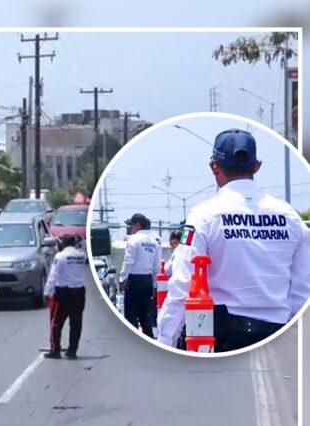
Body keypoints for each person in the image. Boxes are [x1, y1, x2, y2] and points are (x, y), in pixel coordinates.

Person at [157, 129, 310, 352]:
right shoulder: (290, 217)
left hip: (222, 337)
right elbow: (302, 289)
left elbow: (183, 285)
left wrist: (165, 343)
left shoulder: (202, 216)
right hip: (278, 334)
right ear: (256, 166)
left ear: (213, 166)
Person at [43, 234, 87, 359]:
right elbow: (84, 249)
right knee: (76, 323)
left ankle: (55, 349)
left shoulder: (60, 256)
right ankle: (72, 351)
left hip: (63, 292)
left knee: (56, 322)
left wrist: (47, 292)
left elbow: (53, 276)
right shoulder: (81, 256)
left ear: (63, 243)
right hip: (79, 292)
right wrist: (81, 241)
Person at [119, 213, 161, 338]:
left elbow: (128, 262)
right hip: (147, 281)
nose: (131, 228)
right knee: (146, 317)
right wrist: (154, 285)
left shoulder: (134, 239)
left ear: (137, 224)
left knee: (131, 316)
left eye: (131, 225)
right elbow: (156, 267)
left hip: (134, 281)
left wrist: (122, 279)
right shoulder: (154, 242)